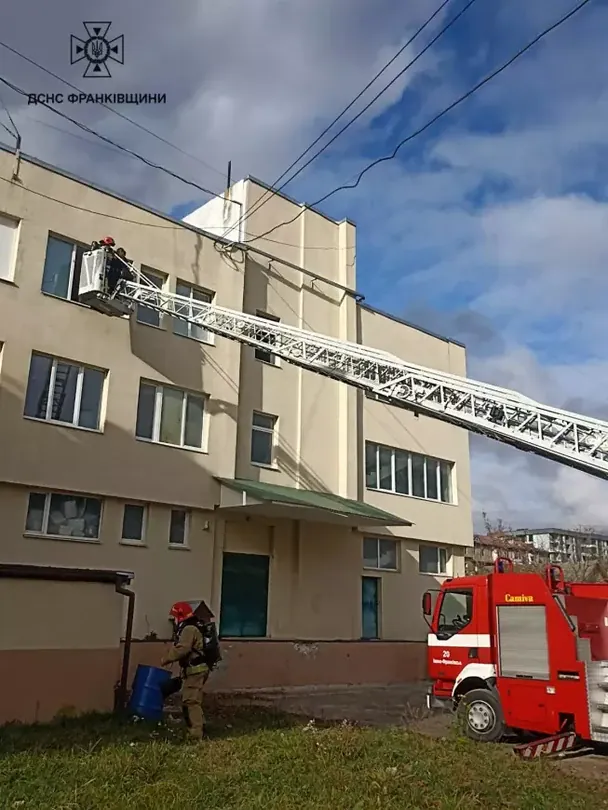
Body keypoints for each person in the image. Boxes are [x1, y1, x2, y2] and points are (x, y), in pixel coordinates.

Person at [160, 601, 210, 741]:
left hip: (196, 670)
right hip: (197, 669)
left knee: (191, 701)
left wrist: (166, 658)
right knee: (193, 699)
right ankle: (201, 725)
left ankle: (196, 732)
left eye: (175, 616)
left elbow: (183, 648)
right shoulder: (193, 627)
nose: (174, 620)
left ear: (180, 616)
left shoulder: (188, 629)